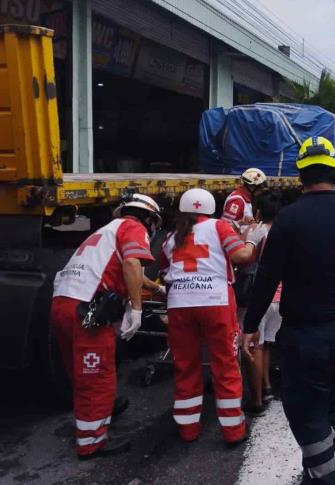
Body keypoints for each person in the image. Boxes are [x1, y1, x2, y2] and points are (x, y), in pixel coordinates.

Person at [242, 136, 335, 485]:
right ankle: (318, 475)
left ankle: (329, 478)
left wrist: (250, 324)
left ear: (300, 176)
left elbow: (267, 277)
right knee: (329, 405)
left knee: (304, 412)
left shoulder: (289, 219)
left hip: (308, 333)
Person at [51, 193, 162, 459]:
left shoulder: (108, 230)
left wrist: (157, 288)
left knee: (80, 371)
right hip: (88, 310)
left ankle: (102, 408)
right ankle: (91, 442)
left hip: (64, 304)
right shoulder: (134, 228)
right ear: (148, 217)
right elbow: (132, 264)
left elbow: (128, 270)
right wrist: (136, 309)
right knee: (97, 374)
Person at [159, 188, 257, 445]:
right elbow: (242, 256)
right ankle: (233, 431)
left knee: (185, 366)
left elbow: (164, 270)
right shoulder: (220, 227)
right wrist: (253, 240)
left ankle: (188, 429)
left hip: (179, 305)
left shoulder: (170, 237)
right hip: (215, 302)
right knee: (224, 365)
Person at [241, 192, 284, 415]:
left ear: (258, 212)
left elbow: (244, 259)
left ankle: (256, 400)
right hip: (281, 297)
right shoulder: (285, 232)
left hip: (262, 297)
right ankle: (267, 386)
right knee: (267, 343)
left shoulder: (256, 232)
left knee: (253, 347)